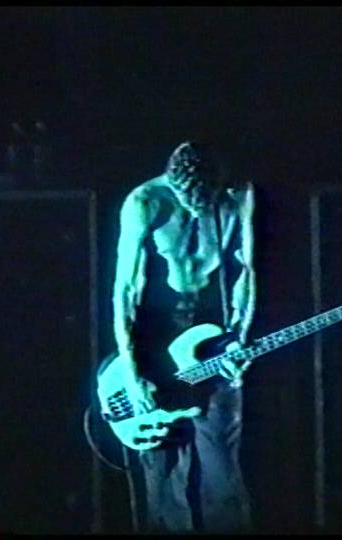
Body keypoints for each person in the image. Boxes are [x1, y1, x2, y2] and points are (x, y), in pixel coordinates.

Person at [103, 141, 256, 533]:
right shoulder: (146, 202)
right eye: (188, 201)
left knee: (222, 465)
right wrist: (132, 371)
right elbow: (125, 291)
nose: (195, 209)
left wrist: (239, 336)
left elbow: (246, 270)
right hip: (156, 335)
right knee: (164, 468)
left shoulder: (237, 197)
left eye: (203, 201)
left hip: (210, 333)